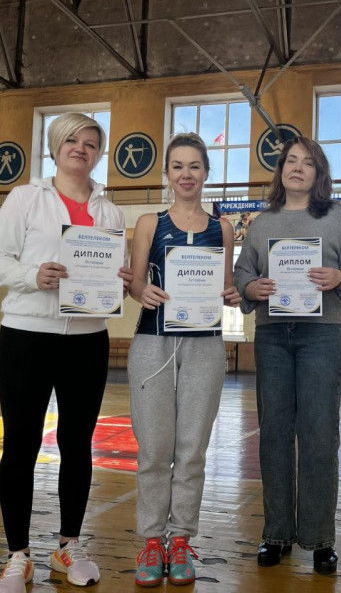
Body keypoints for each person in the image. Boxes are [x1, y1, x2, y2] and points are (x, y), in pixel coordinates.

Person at [0, 112, 132, 593]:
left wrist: (120, 283)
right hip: (26, 336)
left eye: (90, 143)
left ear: (98, 153)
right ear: (55, 146)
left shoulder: (111, 212)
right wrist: (33, 276)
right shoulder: (25, 198)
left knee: (77, 443)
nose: (81, 149)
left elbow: (118, 275)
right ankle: (17, 556)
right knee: (20, 444)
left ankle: (69, 545)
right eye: (72, 140)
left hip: (88, 341)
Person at [234, 136, 341, 575]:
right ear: (281, 171)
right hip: (272, 335)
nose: (297, 168)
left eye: (307, 163)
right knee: (273, 433)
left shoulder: (336, 217)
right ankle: (276, 533)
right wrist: (251, 287)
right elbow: (243, 272)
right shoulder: (261, 222)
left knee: (319, 434)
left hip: (321, 335)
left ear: (318, 173)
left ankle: (319, 538)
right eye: (290, 161)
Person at [128, 133, 241, 587]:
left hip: (205, 344)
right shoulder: (148, 223)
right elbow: (135, 283)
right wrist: (142, 290)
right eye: (178, 166)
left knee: (192, 450)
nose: (186, 174)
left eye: (195, 166)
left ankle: (180, 541)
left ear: (206, 173)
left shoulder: (224, 228)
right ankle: (152, 541)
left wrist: (232, 295)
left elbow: (226, 286)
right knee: (155, 449)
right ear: (168, 174)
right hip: (152, 342)